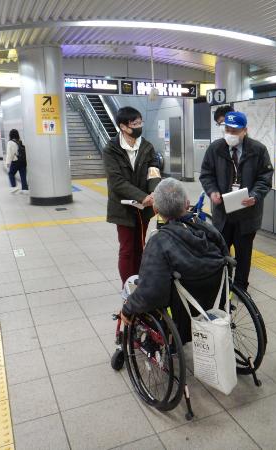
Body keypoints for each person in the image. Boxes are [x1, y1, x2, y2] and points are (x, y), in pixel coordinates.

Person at [119, 178, 228, 341]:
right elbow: (226, 257)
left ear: (156, 209)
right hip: (215, 303)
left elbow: (151, 291)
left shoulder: (158, 241)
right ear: (187, 203)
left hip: (182, 316)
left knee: (133, 287)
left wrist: (127, 308)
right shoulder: (207, 229)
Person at [200, 111, 273, 291]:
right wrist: (212, 191)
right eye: (227, 129)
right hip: (222, 213)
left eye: (235, 131)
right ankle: (223, 287)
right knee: (221, 253)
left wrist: (255, 196)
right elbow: (206, 174)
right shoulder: (215, 148)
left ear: (245, 130)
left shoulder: (258, 150)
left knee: (243, 254)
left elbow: (265, 178)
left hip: (247, 214)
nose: (230, 134)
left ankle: (240, 288)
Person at [103, 107, 161, 285]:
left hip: (144, 207)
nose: (139, 126)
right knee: (127, 249)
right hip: (123, 207)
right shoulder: (111, 149)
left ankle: (140, 283)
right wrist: (142, 196)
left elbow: (154, 171)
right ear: (123, 126)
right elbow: (116, 182)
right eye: (135, 124)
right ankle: (128, 287)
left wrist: (153, 191)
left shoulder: (147, 146)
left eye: (140, 122)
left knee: (141, 246)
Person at [5, 129, 28, 194]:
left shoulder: (10, 142)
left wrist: (8, 162)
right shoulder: (20, 141)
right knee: (23, 175)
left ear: (10, 135)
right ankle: (25, 189)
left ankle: (14, 187)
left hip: (16, 161)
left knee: (11, 173)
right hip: (23, 161)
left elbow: (10, 153)